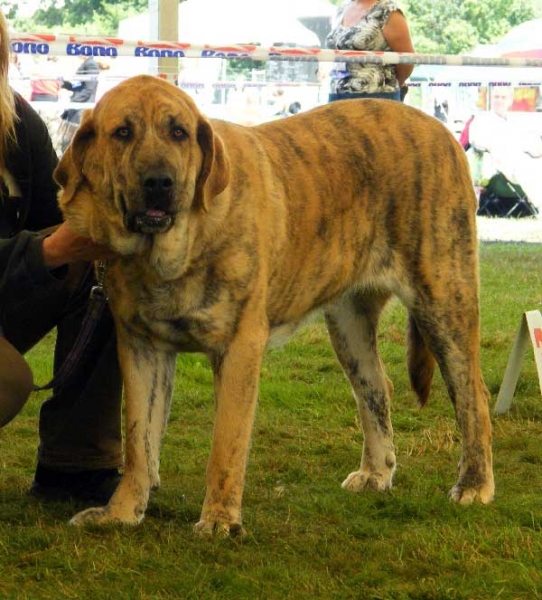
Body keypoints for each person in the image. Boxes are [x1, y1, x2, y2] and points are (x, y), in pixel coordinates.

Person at [0, 11, 123, 503]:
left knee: (102, 261)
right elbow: (46, 241)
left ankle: (75, 468)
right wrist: (45, 251)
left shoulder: (15, 120)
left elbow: (61, 207)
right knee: (7, 380)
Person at [468, 85, 542, 213]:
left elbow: (531, 144)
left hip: (520, 160)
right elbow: (475, 141)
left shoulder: (516, 122)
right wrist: (494, 148)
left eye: (503, 97)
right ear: (491, 99)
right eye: (497, 97)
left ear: (510, 100)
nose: (500, 101)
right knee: (526, 167)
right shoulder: (482, 119)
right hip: (497, 167)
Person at [324, 0, 415, 102]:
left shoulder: (389, 12)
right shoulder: (342, 9)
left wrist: (388, 82)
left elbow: (408, 61)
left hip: (377, 98)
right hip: (336, 95)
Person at [59, 55, 100, 152]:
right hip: (77, 107)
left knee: (72, 140)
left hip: (81, 108)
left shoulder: (91, 64)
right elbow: (79, 85)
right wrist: (65, 84)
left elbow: (89, 89)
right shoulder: (87, 63)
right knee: (68, 140)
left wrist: (74, 102)